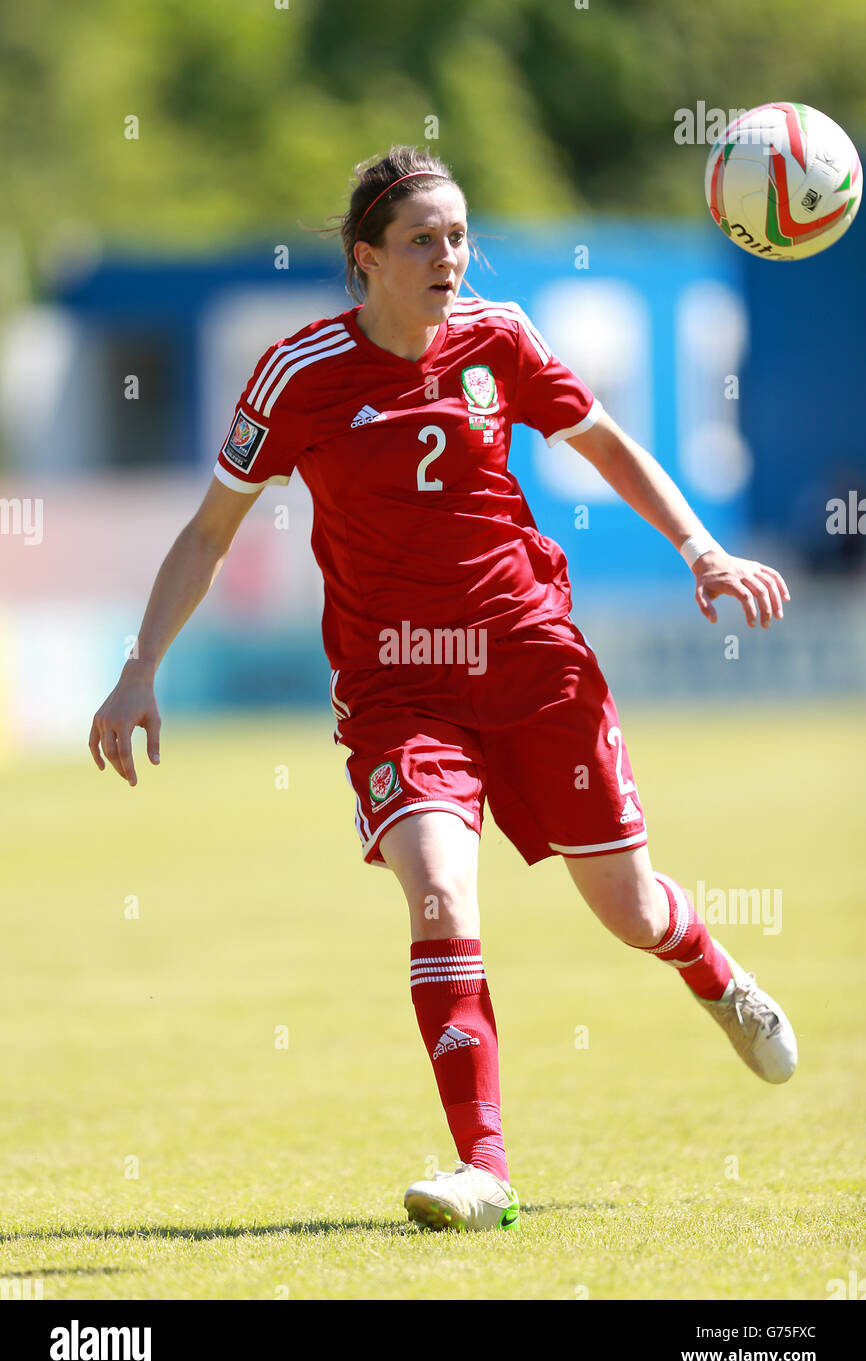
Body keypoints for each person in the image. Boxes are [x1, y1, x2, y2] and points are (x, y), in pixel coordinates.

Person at [89, 144, 797, 1234]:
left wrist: (700, 549)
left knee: (629, 909)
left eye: (459, 235)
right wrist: (139, 669)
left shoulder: (498, 339)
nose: (448, 257)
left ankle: (713, 971)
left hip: (531, 661)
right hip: (394, 689)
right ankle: (484, 1169)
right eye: (423, 240)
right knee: (438, 894)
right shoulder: (298, 373)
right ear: (364, 259)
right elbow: (208, 532)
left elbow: (603, 446)